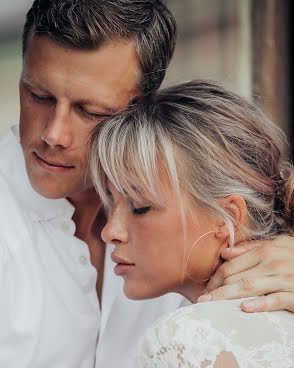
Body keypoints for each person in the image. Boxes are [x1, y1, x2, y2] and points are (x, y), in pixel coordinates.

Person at [0, 0, 294, 366]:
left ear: (142, 109)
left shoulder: (197, 219)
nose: (54, 134)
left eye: (91, 111)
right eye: (38, 95)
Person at [91, 80, 294, 367]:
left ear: (227, 218)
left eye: (140, 207)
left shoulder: (184, 341)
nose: (109, 231)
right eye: (110, 203)